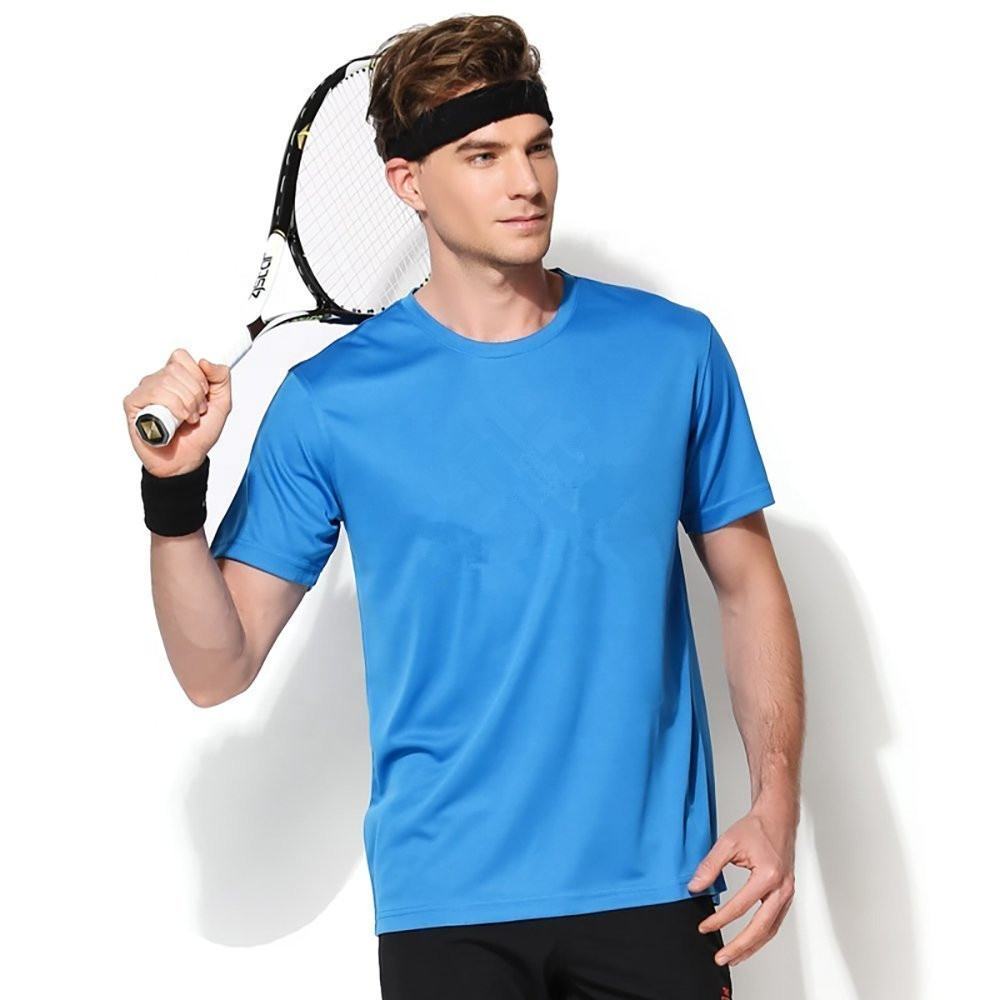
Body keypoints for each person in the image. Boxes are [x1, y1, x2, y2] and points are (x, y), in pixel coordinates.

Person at [122, 14, 803, 999]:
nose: (525, 181)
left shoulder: (672, 351)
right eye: (483, 156)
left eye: (537, 147)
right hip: (447, 908)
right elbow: (213, 669)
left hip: (655, 887)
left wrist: (775, 801)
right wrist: (173, 494)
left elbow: (748, 587)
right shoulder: (332, 402)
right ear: (408, 182)